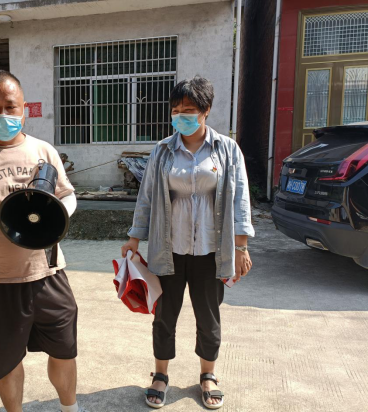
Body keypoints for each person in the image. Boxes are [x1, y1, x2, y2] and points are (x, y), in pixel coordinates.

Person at [0, 70, 87, 412]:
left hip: (49, 274)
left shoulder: (43, 151)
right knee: (6, 361)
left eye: (10, 107)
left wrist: (59, 214)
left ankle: (70, 408)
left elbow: (67, 194)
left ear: (24, 108)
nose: (3, 115)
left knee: (64, 351)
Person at [121, 76, 255, 410]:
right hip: (168, 249)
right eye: (176, 110)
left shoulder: (227, 150)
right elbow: (146, 198)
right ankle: (160, 375)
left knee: (208, 316)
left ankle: (208, 376)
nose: (181, 116)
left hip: (211, 251)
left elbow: (240, 200)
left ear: (206, 111)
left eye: (189, 109)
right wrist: (134, 238)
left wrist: (240, 247)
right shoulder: (162, 150)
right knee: (164, 315)